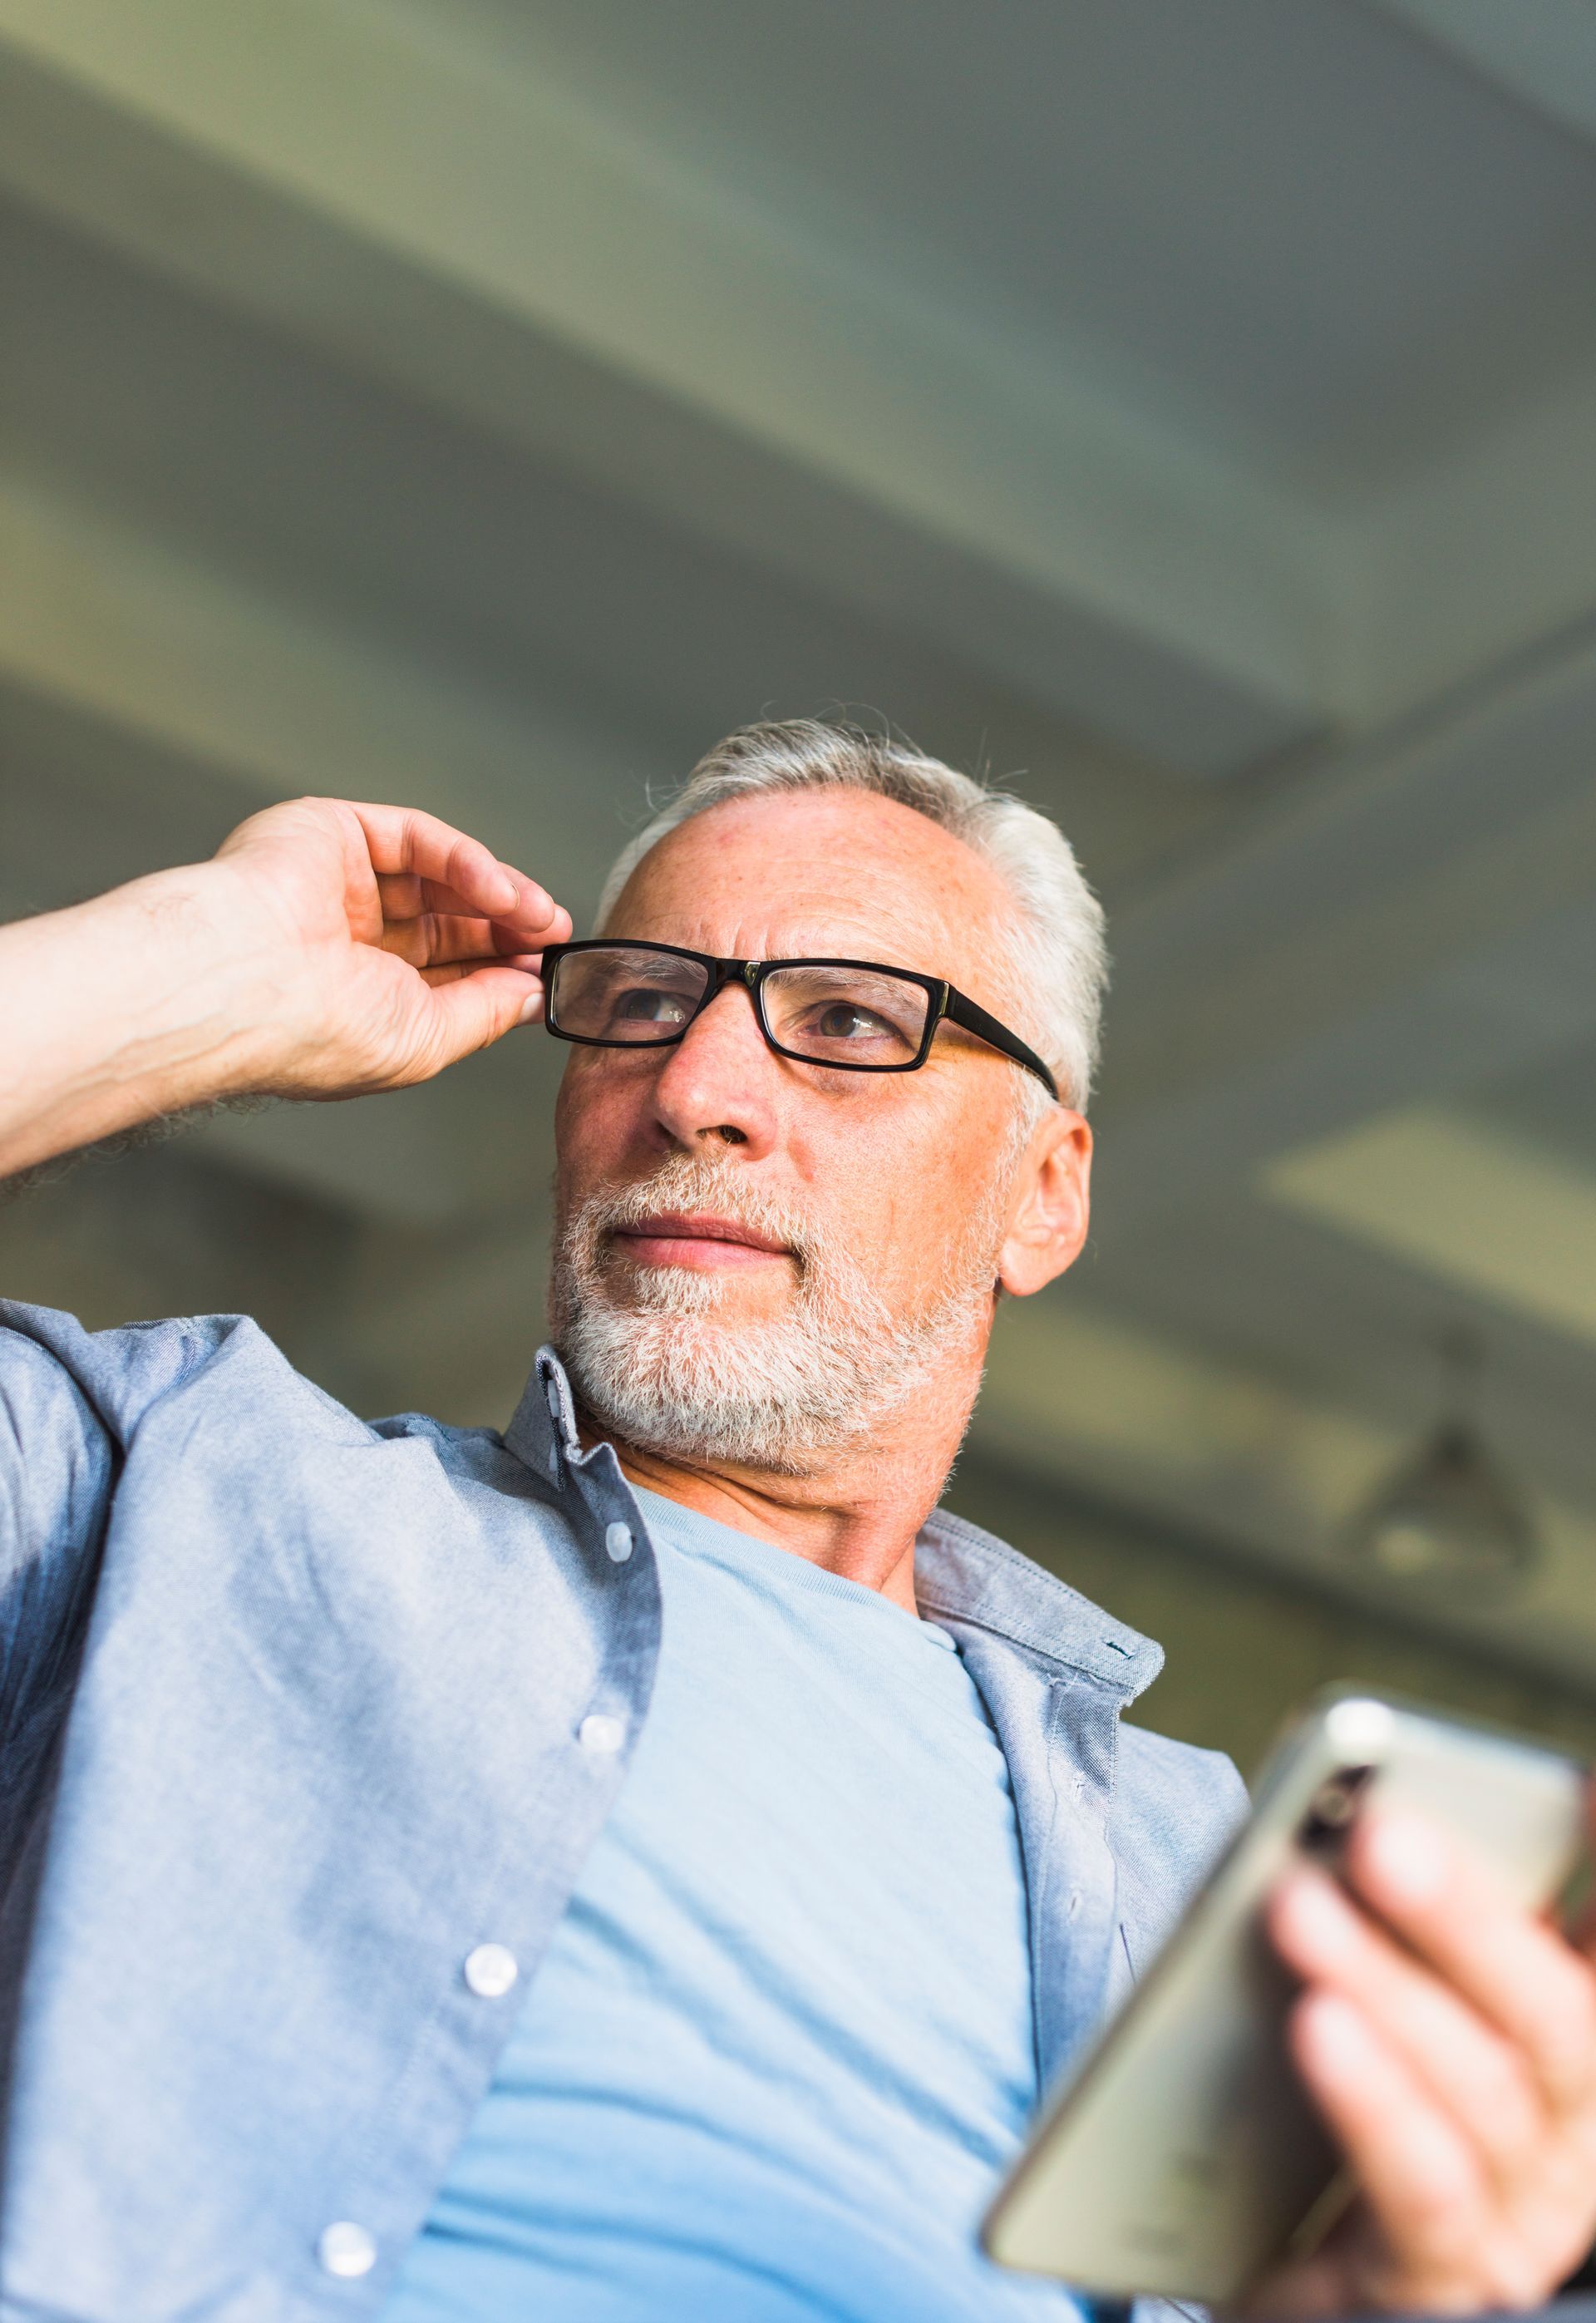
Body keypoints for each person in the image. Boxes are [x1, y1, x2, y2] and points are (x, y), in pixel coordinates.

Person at [1, 719, 1593, 2323]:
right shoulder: (181, 1482)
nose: (696, 1089)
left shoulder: (1202, 1873)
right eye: (639, 1005)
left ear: (1044, 1194)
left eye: (844, 1020)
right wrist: (176, 976)